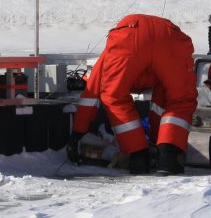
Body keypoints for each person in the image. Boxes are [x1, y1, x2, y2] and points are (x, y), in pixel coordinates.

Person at [66, 14, 198, 175]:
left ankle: (138, 157)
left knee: (113, 96)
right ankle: (169, 158)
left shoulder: (110, 56)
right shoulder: (159, 73)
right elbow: (160, 107)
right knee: (180, 99)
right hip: (170, 37)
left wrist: (77, 133)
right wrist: (162, 144)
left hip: (129, 36)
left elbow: (91, 93)